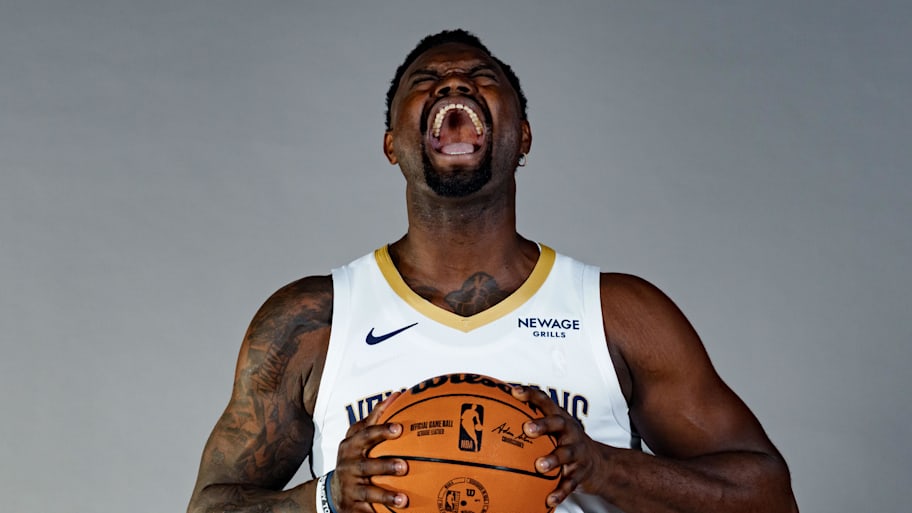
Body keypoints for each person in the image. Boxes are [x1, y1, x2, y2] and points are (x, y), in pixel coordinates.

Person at [188, 29, 798, 513]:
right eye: (425, 80)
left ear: (523, 137)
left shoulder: (616, 314)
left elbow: (768, 497)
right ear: (392, 144)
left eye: (483, 78)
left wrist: (606, 467)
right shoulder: (314, 322)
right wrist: (323, 499)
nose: (454, 81)